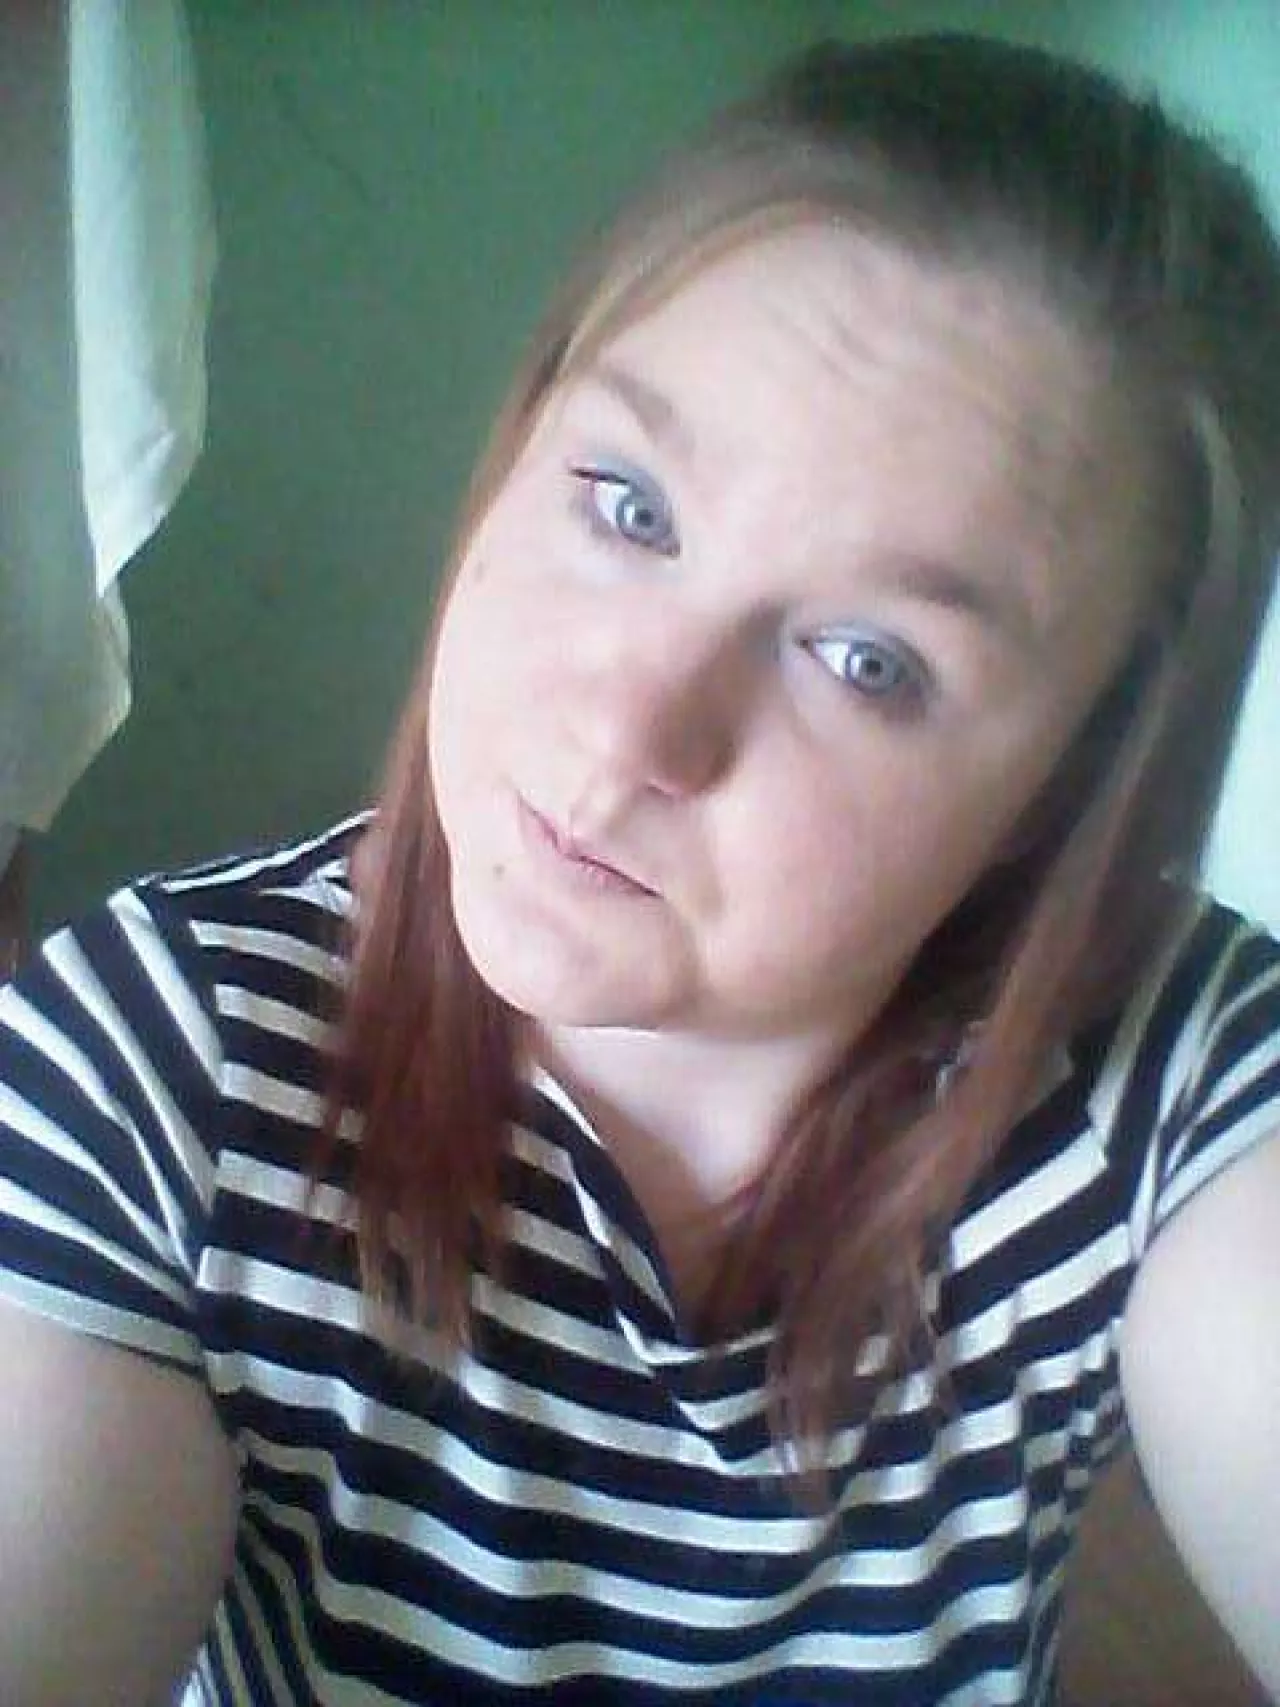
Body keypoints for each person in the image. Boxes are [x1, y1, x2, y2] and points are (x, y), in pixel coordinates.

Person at [1, 29, 1279, 1707]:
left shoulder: (1177, 1076)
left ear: (1068, 787)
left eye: (868, 662)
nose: (627, 729)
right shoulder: (157, 1065)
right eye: (626, 503)